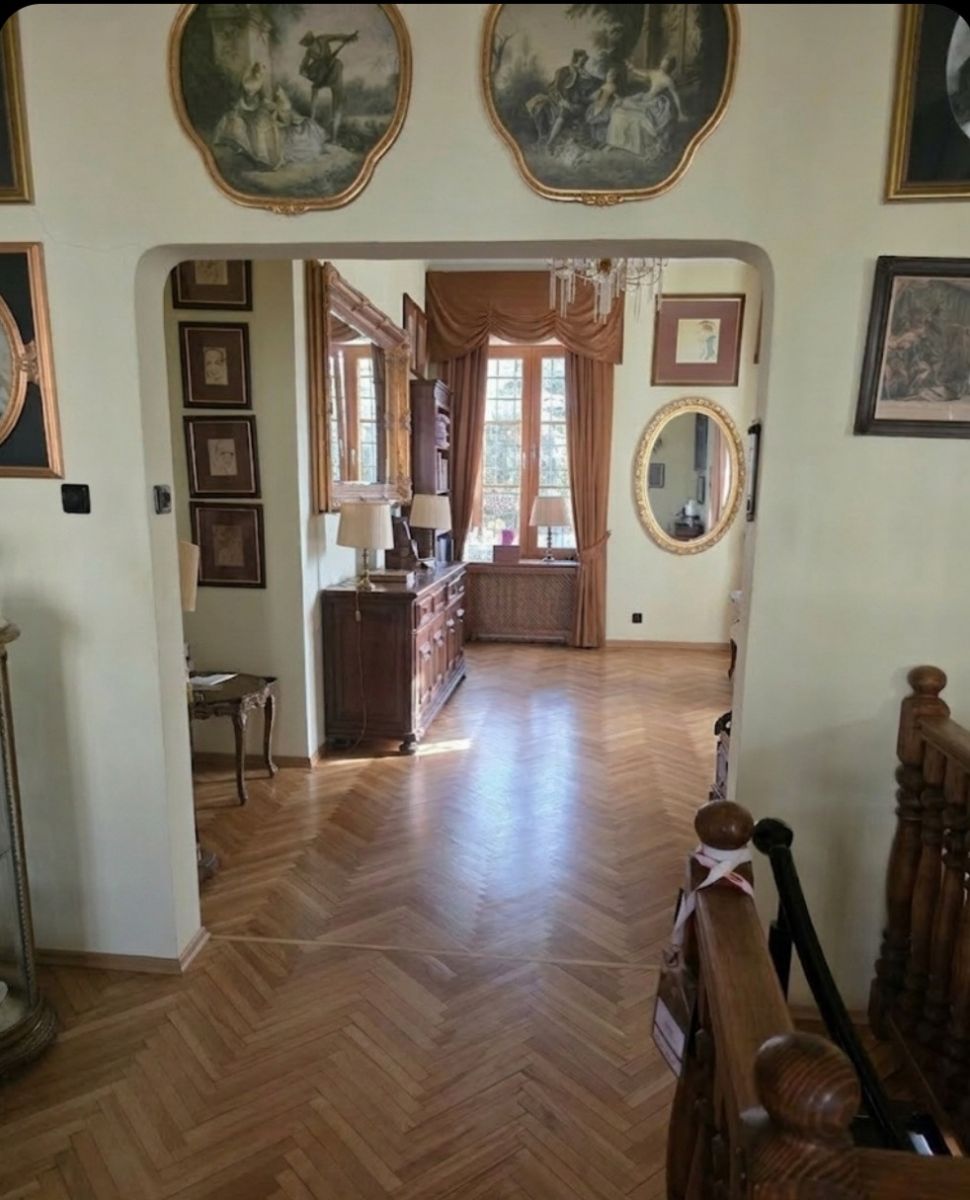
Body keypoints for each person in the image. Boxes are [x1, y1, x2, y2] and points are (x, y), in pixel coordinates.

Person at [213, 62, 282, 169]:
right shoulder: (249, 80)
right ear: (256, 71)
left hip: (254, 108)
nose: (261, 73)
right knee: (248, 127)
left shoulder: (254, 81)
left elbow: (261, 99)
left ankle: (264, 159)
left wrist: (269, 105)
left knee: (264, 128)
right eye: (260, 71)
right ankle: (256, 156)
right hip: (246, 109)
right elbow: (247, 97)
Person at [526, 49, 599, 147]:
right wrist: (562, 101)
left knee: (569, 112)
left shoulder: (586, 75)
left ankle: (551, 142)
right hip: (561, 100)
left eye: (586, 60)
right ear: (577, 58)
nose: (585, 61)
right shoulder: (564, 71)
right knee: (542, 106)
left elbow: (592, 88)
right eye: (583, 58)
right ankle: (545, 139)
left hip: (577, 103)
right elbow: (556, 88)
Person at [298, 30, 359, 139]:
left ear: (313, 40)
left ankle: (334, 135)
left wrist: (348, 37)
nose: (311, 47)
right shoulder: (309, 52)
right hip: (320, 72)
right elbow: (303, 65)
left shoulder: (322, 39)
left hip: (332, 67)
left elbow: (336, 36)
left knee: (338, 71)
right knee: (315, 87)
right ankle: (312, 122)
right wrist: (303, 72)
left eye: (311, 44)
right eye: (309, 46)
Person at [273, 85, 328, 162]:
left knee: (309, 124)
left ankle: (320, 147)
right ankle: (314, 148)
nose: (280, 93)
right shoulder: (275, 107)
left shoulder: (285, 101)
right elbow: (275, 120)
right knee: (300, 136)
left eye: (281, 92)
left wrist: (297, 118)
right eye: (279, 92)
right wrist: (284, 124)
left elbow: (291, 113)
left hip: (294, 121)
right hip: (288, 126)